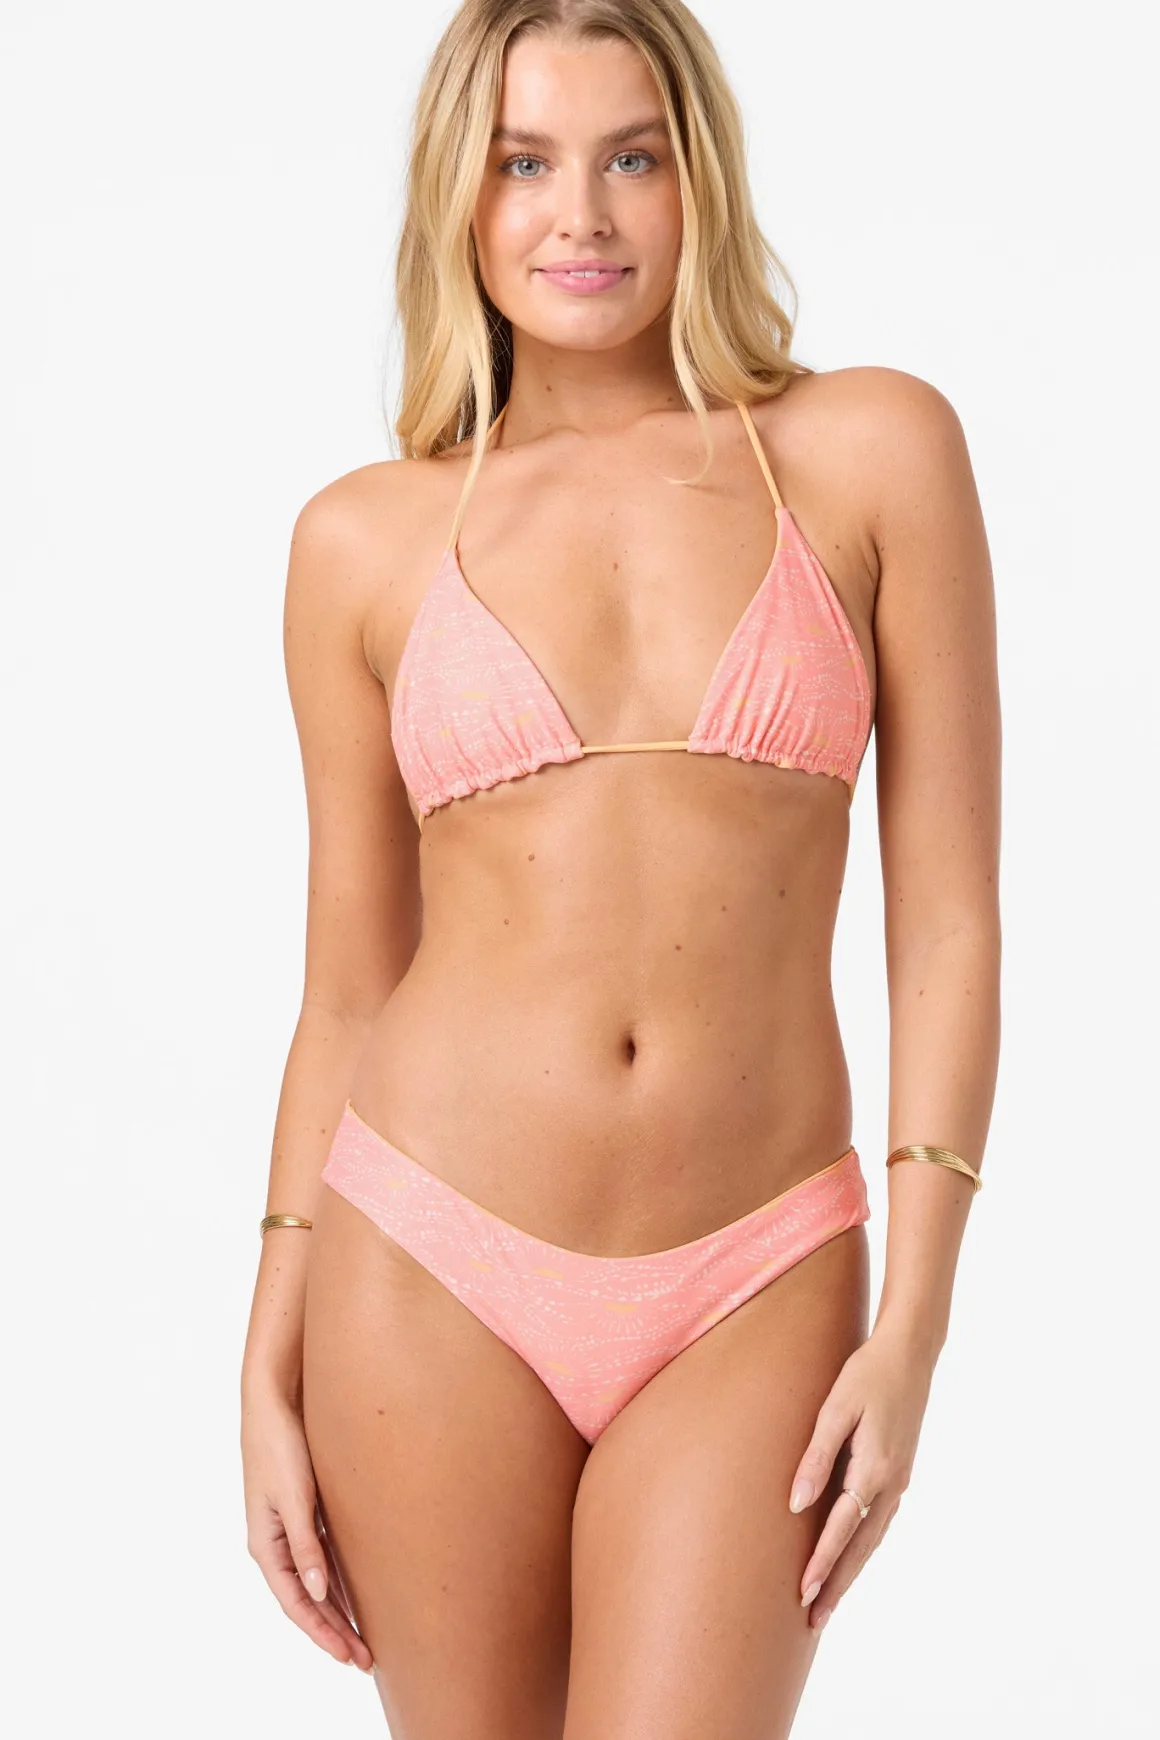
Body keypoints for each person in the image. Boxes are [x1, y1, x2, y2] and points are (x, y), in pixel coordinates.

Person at [240, 1, 1001, 1733]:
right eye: (525, 164)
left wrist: (919, 1326)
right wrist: (266, 1351)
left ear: (698, 176)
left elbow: (949, 923)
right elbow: (347, 988)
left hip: (755, 1274)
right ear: (461, 194)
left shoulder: (873, 453)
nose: (579, 215)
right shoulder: (360, 539)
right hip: (427, 1261)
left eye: (630, 158)